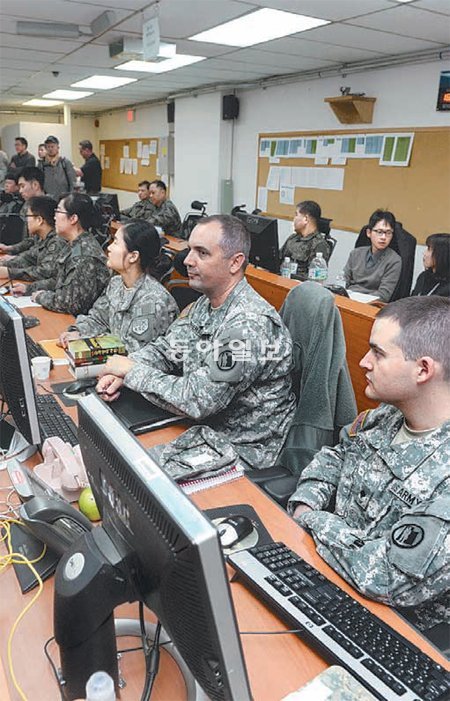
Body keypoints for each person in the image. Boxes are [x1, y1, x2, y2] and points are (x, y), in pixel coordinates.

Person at [288, 296, 450, 609]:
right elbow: (334, 457)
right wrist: (306, 500)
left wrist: (312, 520)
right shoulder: (385, 416)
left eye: (378, 352)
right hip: (323, 570)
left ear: (423, 370)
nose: (364, 362)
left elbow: (383, 577)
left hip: (389, 626)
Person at [97, 214, 296, 468]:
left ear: (235, 263)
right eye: (190, 250)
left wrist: (132, 371)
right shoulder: (206, 302)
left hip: (241, 449)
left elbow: (197, 399)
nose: (188, 261)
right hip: (202, 428)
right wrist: (123, 370)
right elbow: (168, 349)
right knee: (113, 443)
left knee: (134, 470)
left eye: (202, 253)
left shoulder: (248, 325)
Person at [59, 220, 178, 353]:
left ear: (133, 256)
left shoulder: (153, 300)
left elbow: (134, 350)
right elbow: (98, 318)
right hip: (110, 362)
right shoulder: (116, 283)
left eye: (115, 242)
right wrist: (78, 332)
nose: (109, 248)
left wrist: (89, 341)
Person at [31, 192, 110, 315]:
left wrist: (41, 297)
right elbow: (59, 282)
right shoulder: (73, 244)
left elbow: (70, 303)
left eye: (58, 211)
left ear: (73, 218)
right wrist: (30, 289)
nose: (55, 217)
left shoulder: (84, 255)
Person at [0, 196, 67, 295]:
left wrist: (10, 272)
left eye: (28, 216)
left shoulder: (57, 241)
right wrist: (4, 265)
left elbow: (45, 272)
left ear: (39, 220)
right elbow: (28, 257)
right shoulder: (43, 238)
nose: (26, 221)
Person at [344, 210, 402, 302]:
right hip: (348, 301)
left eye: (388, 233)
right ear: (369, 233)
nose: (383, 237)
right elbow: (343, 280)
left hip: (372, 306)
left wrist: (359, 300)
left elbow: (384, 295)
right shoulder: (355, 254)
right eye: (379, 232)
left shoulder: (394, 260)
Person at [0, 167, 47, 258]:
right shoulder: (26, 205)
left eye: (22, 186)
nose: (20, 191)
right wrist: (10, 248)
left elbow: (40, 248)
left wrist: (15, 259)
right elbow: (31, 240)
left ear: (35, 185)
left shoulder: (48, 209)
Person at [280, 200, 330, 278]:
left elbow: (313, 277)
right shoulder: (292, 238)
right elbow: (277, 260)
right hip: (282, 279)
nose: (294, 219)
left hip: (299, 286)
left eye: (296, 215)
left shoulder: (319, 244)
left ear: (305, 219)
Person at [411, 233, 450, 297]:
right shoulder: (423, 276)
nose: (424, 253)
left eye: (429, 249)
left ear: (442, 254)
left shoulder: (447, 288)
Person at [38, 135, 77, 200]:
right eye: (48, 147)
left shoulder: (65, 163)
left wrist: (71, 200)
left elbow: (73, 183)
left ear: (58, 147)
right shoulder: (41, 165)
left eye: (52, 146)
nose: (50, 149)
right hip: (47, 200)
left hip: (64, 200)